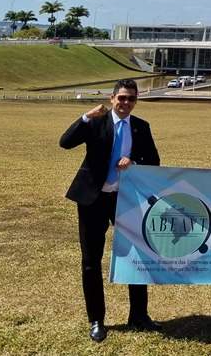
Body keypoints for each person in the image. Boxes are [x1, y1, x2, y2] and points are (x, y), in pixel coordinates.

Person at [59, 79, 161, 343]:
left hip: (125, 200)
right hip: (92, 199)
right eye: (122, 98)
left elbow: (154, 161)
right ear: (113, 97)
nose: (126, 103)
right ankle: (96, 320)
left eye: (131, 99)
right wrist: (84, 117)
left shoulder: (141, 127)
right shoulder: (96, 122)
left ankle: (138, 315)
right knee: (91, 261)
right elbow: (65, 143)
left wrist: (134, 161)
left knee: (137, 255)